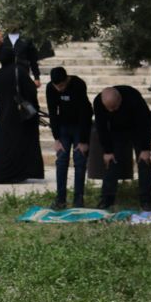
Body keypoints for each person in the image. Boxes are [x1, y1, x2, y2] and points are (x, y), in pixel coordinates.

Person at [93, 85, 151, 210]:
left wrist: (145, 148)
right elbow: (101, 127)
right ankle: (107, 199)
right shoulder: (98, 101)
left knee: (144, 162)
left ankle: (146, 199)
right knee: (111, 161)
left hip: (137, 128)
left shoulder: (133, 97)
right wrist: (107, 150)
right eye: (108, 108)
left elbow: (145, 122)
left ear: (120, 100)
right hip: (116, 131)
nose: (111, 111)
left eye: (114, 107)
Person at [0, 52, 45, 185]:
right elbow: (31, 90)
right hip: (20, 115)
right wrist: (34, 107)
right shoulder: (19, 71)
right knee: (20, 143)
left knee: (4, 144)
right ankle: (19, 173)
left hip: (3, 114)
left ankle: (3, 173)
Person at [46, 67, 92, 209]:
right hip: (63, 127)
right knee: (61, 161)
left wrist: (84, 141)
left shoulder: (78, 84)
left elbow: (85, 112)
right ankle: (61, 199)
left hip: (79, 125)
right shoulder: (51, 88)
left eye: (61, 86)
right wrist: (56, 138)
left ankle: (78, 199)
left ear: (66, 80)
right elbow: (52, 112)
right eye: (56, 86)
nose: (59, 89)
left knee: (79, 160)